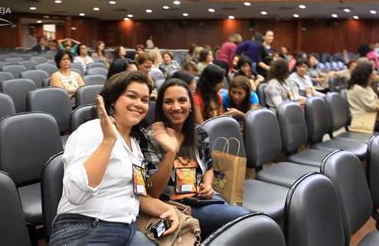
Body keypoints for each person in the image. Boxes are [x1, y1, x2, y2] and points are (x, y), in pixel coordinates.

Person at [50, 71, 179, 245]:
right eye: (132, 96)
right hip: (85, 229)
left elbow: (135, 196)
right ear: (113, 99)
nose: (138, 104)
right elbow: (75, 194)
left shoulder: (135, 144)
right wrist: (108, 141)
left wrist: (168, 209)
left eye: (144, 99)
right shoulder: (92, 130)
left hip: (127, 231)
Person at [139, 78, 250, 239]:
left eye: (182, 100)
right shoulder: (151, 136)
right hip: (174, 204)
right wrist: (171, 152)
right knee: (243, 219)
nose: (176, 107)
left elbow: (209, 167)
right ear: (161, 107)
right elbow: (154, 192)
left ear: (190, 104)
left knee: (245, 221)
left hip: (201, 199)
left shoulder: (198, 132)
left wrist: (207, 185)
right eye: (169, 102)